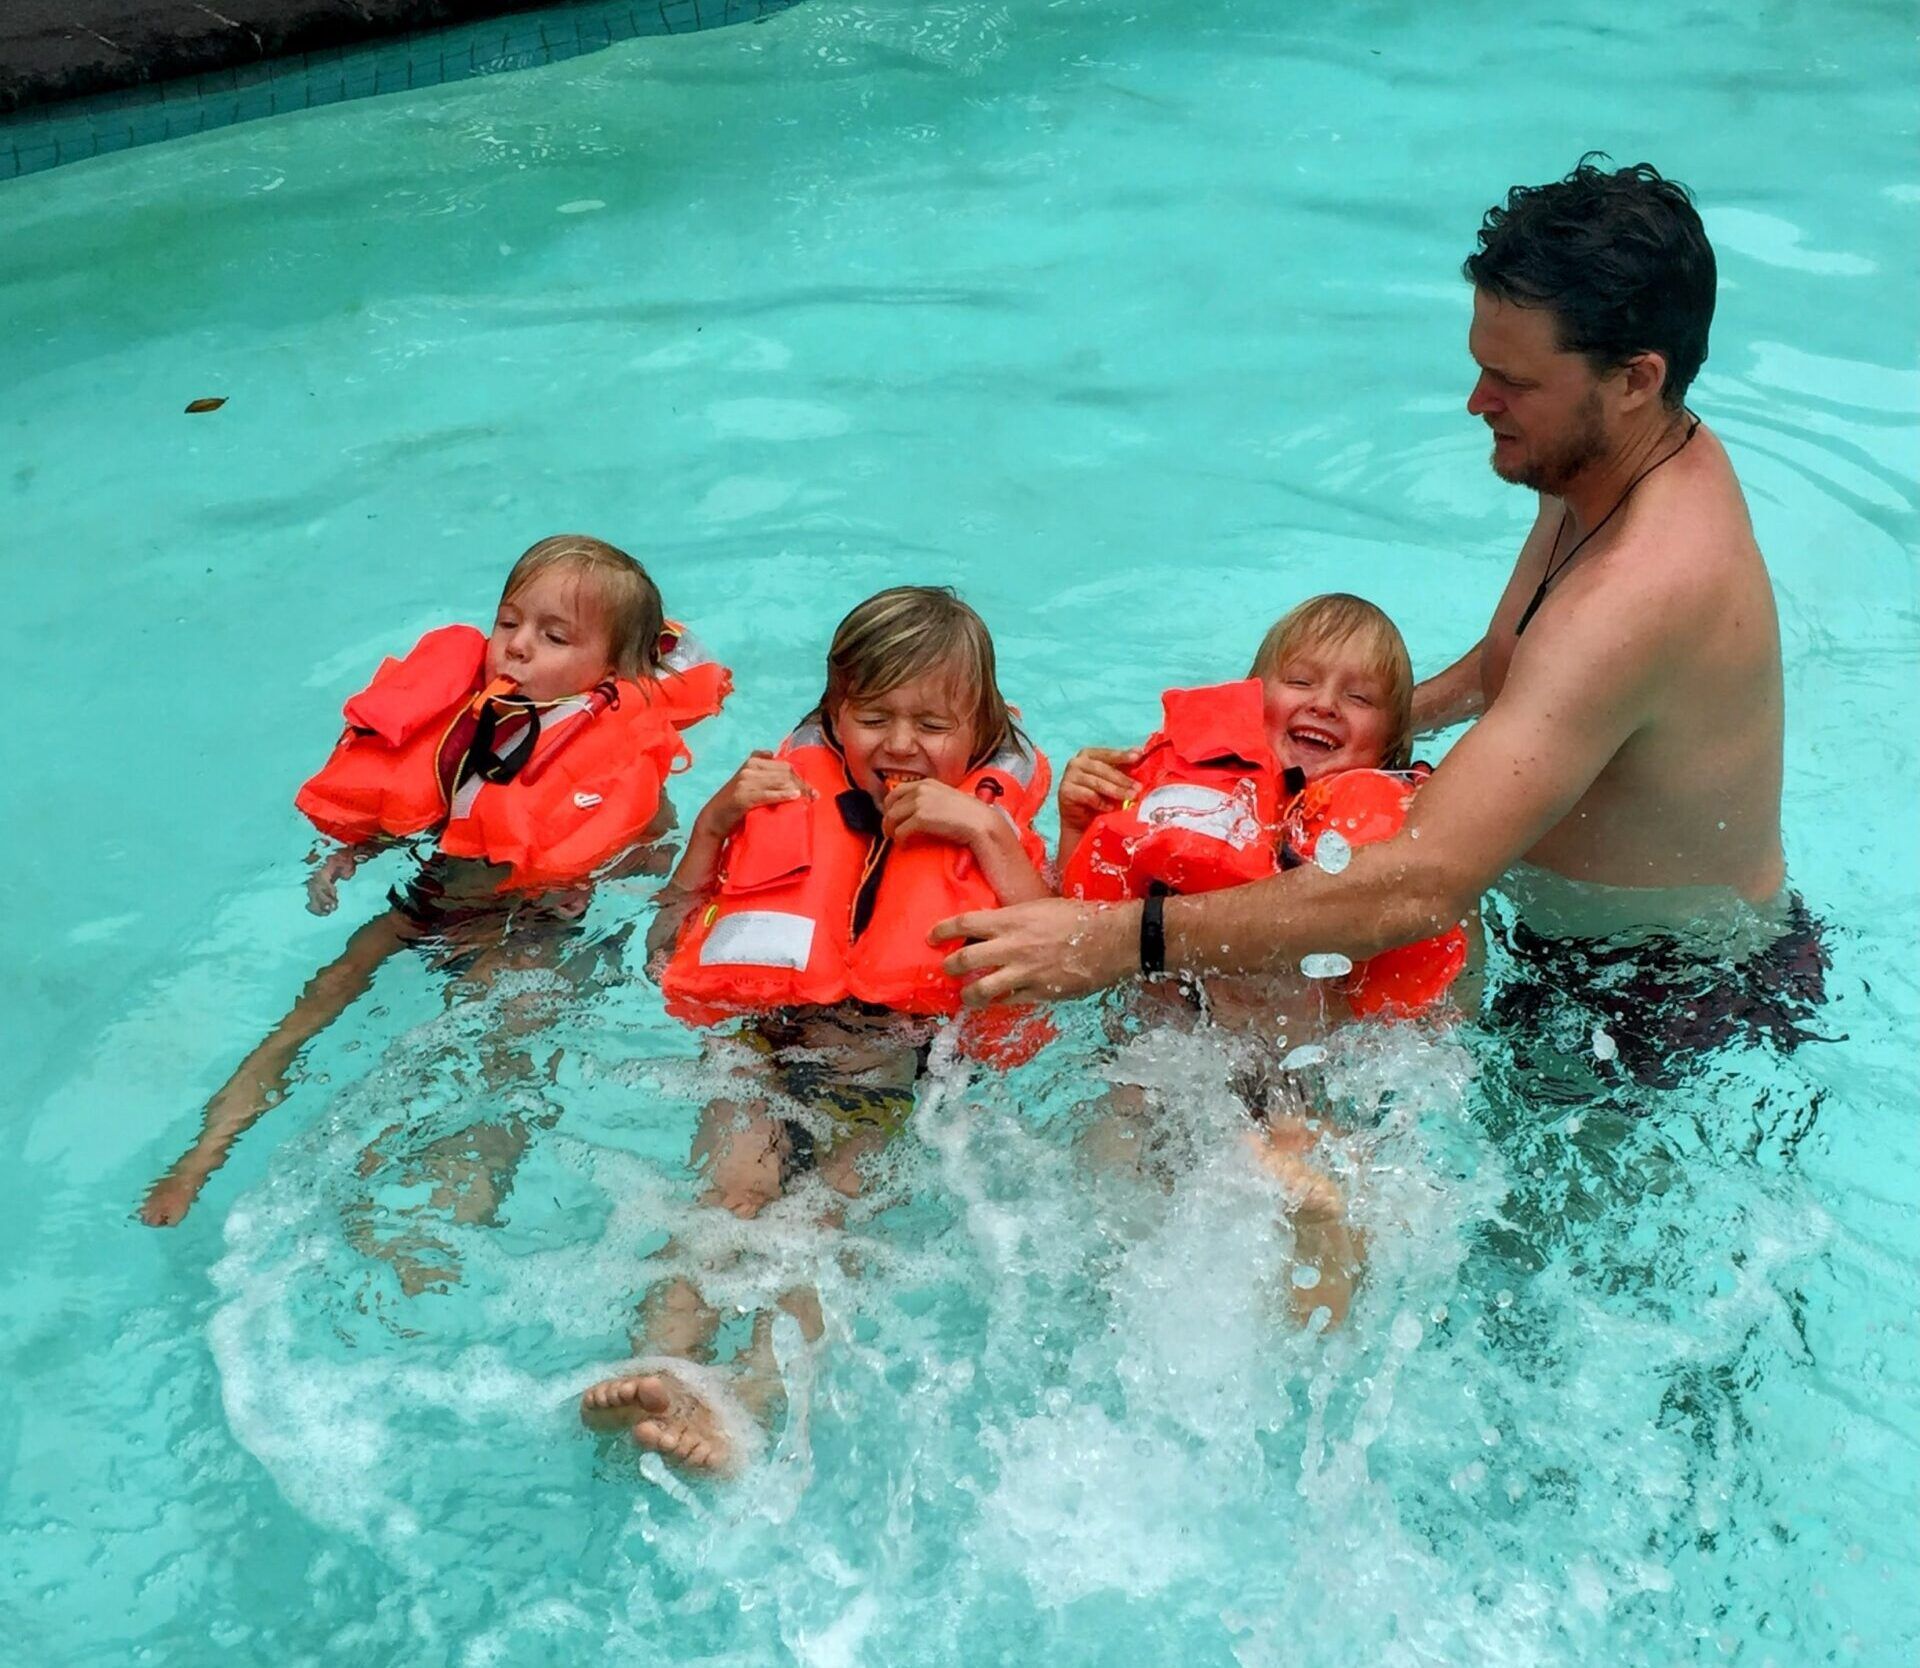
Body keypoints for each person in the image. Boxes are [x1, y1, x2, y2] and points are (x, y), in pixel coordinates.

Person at [934, 158, 1824, 1084]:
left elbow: (1425, 886)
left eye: (1510, 381)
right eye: (1483, 368)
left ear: (1636, 378)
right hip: (1563, 932)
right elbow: (1512, 661)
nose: (1478, 402)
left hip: (1660, 993)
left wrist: (1120, 940)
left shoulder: (1641, 590)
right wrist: (1369, 725)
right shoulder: (1603, 457)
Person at [580, 586, 1052, 1475]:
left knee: (822, 1229)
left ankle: (745, 1404)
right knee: (730, 1198)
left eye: (932, 724)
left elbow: (1049, 956)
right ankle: (662, 1367)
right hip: (766, 1052)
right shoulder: (789, 786)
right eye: (874, 718)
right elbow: (677, 919)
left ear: (982, 732)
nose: (901, 745)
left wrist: (988, 833)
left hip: (896, 1080)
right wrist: (719, 816)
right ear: (835, 715)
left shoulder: (995, 821)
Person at [139, 534, 729, 1229]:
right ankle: (203, 1156)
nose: (516, 646)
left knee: (500, 1055)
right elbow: (417, 807)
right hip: (428, 901)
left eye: (554, 636)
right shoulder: (469, 721)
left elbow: (651, 853)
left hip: (527, 930)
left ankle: (464, 1196)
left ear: (614, 670)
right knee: (320, 997)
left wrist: (598, 876)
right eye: (508, 622)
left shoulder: (622, 762)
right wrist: (349, 851)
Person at [1058, 593, 1469, 1322]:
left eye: (1360, 696)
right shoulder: (1180, 792)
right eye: (1302, 682)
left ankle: (1322, 1237)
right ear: (1252, 701)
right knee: (1110, 1153)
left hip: (1308, 1073)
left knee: (1311, 1150)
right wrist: (1077, 821)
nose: (1326, 705)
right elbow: (1080, 929)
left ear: (1392, 746)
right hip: (1180, 1048)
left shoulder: (1382, 848)